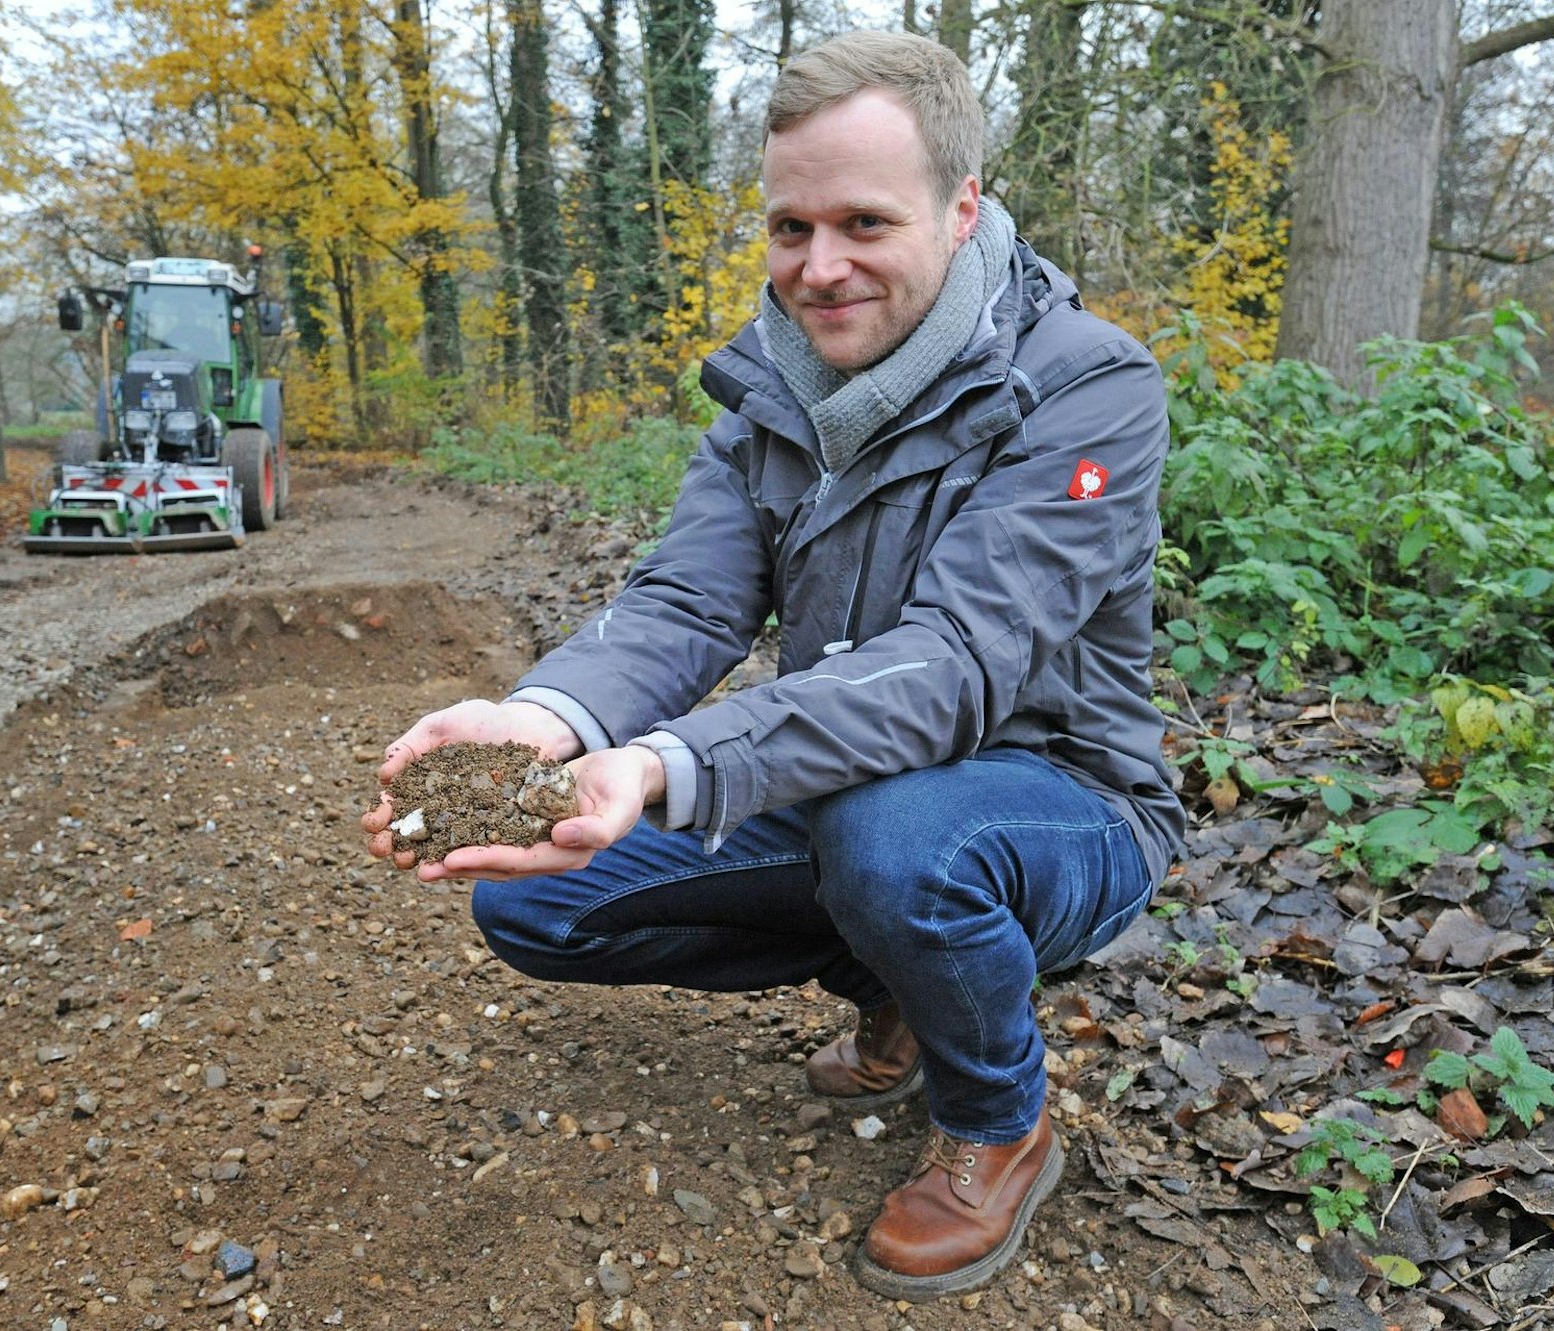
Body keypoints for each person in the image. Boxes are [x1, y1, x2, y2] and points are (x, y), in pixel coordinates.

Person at [363, 29, 1184, 1302]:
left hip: (1060, 800)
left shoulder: (1084, 390)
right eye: (787, 227)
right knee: (535, 900)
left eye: (863, 221)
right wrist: (545, 722)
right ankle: (899, 980)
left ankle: (996, 1117)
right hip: (849, 777)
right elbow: (687, 599)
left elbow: (958, 658)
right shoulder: (766, 400)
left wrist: (665, 760)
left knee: (897, 840)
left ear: (961, 208)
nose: (819, 267)